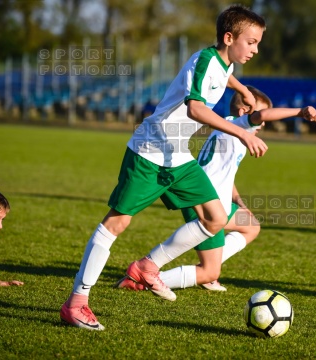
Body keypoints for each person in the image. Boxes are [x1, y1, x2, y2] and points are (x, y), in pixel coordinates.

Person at [60, 4, 267, 331]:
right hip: (150, 150)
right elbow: (196, 108)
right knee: (117, 222)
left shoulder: (220, 63)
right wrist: (241, 131)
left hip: (178, 154)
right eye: (251, 42)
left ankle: (146, 267)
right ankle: (76, 302)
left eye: (258, 43)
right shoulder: (204, 60)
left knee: (215, 218)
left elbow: (222, 77)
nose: (256, 49)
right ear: (229, 38)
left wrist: (241, 89)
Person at [116, 86, 316, 293]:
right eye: (259, 116)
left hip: (214, 200)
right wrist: (299, 111)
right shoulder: (239, 125)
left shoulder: (227, 129)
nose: (263, 123)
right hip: (206, 204)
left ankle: (204, 268)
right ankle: (142, 281)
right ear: (244, 112)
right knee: (210, 272)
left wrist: (239, 202)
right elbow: (262, 115)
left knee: (251, 226)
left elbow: (224, 173)